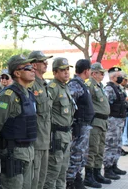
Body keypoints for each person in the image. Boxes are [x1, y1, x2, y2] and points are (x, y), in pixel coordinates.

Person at [0, 54, 36, 189]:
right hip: (13, 153)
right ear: (17, 73)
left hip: (28, 151)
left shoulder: (29, 94)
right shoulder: (8, 96)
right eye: (28, 67)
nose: (33, 69)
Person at [43, 57, 75, 189]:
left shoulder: (65, 87)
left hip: (66, 134)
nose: (66, 72)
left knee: (63, 170)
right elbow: (46, 113)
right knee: (53, 171)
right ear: (55, 72)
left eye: (67, 69)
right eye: (62, 70)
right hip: (56, 136)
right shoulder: (52, 88)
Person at [66, 59, 95, 189]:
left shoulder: (82, 84)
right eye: (90, 70)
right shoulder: (75, 85)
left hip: (84, 126)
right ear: (86, 70)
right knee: (76, 155)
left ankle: (77, 178)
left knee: (81, 155)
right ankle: (70, 182)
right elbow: (69, 105)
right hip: (79, 126)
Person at [28, 51, 53, 189]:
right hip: (35, 142)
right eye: (43, 61)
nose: (46, 64)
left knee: (42, 177)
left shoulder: (44, 85)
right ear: (34, 65)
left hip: (45, 139)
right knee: (34, 178)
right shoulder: (31, 86)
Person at [84, 63, 112, 187]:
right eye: (101, 73)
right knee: (93, 149)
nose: (103, 75)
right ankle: (89, 175)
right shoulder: (90, 85)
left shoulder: (99, 86)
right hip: (95, 122)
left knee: (100, 149)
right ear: (93, 73)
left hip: (103, 122)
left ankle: (97, 173)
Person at [103, 67, 128, 180]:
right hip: (112, 121)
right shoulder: (109, 89)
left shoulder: (119, 88)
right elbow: (105, 105)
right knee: (110, 145)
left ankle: (114, 165)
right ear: (113, 77)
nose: (121, 78)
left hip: (120, 120)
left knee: (118, 144)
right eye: (119, 76)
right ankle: (108, 169)